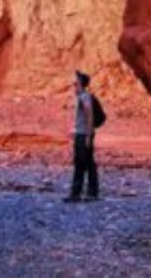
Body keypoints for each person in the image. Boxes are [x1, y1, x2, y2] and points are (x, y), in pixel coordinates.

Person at [64, 70, 99, 202]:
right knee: (89, 163)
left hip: (83, 135)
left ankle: (76, 194)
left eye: (75, 83)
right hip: (84, 133)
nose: (74, 85)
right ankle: (92, 192)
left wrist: (88, 136)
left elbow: (89, 115)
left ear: (80, 84)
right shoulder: (85, 97)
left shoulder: (84, 97)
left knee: (80, 163)